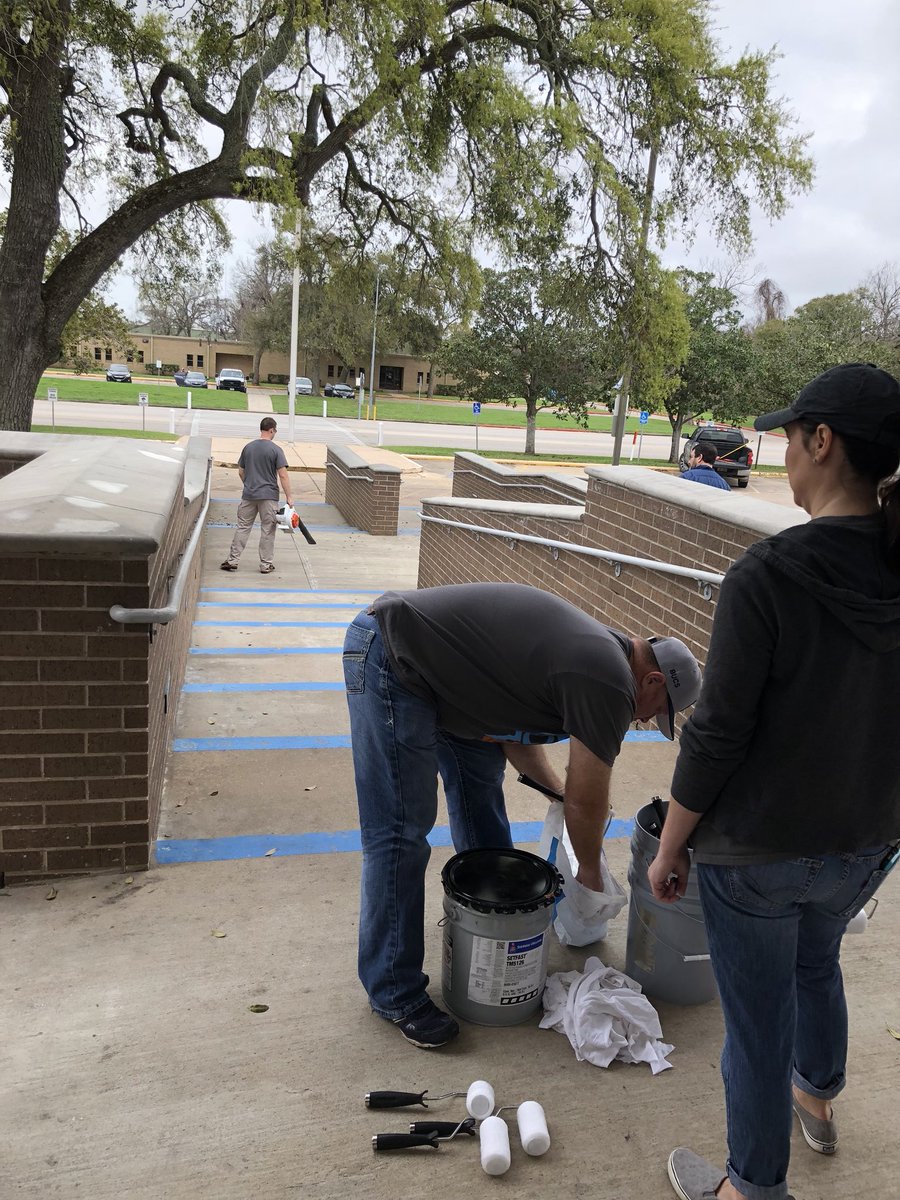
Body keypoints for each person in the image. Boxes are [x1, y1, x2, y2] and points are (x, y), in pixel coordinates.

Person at [648, 363, 900, 1200]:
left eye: (790, 438)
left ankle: (751, 1190)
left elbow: (717, 734)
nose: (783, 454)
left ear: (823, 442)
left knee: (757, 1026)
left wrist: (671, 846)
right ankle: (816, 1101)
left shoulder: (769, 574)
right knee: (816, 962)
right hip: (864, 846)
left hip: (758, 854)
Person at [343, 582, 701, 1048]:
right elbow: (587, 797)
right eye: (657, 712)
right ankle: (394, 991)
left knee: (481, 798)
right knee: (399, 832)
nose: (646, 721)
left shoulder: (598, 658)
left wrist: (557, 794)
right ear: (652, 681)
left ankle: (486, 929)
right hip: (396, 657)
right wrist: (588, 872)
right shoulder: (610, 679)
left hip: (451, 684)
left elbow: (514, 733)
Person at [220, 417, 293, 574]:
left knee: (243, 527)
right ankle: (265, 565)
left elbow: (241, 471)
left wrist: (249, 485)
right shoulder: (276, 450)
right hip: (269, 496)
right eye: (275, 430)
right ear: (271, 430)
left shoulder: (248, 448)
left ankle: (232, 560)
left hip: (249, 495)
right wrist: (289, 497)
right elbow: (283, 475)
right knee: (268, 530)